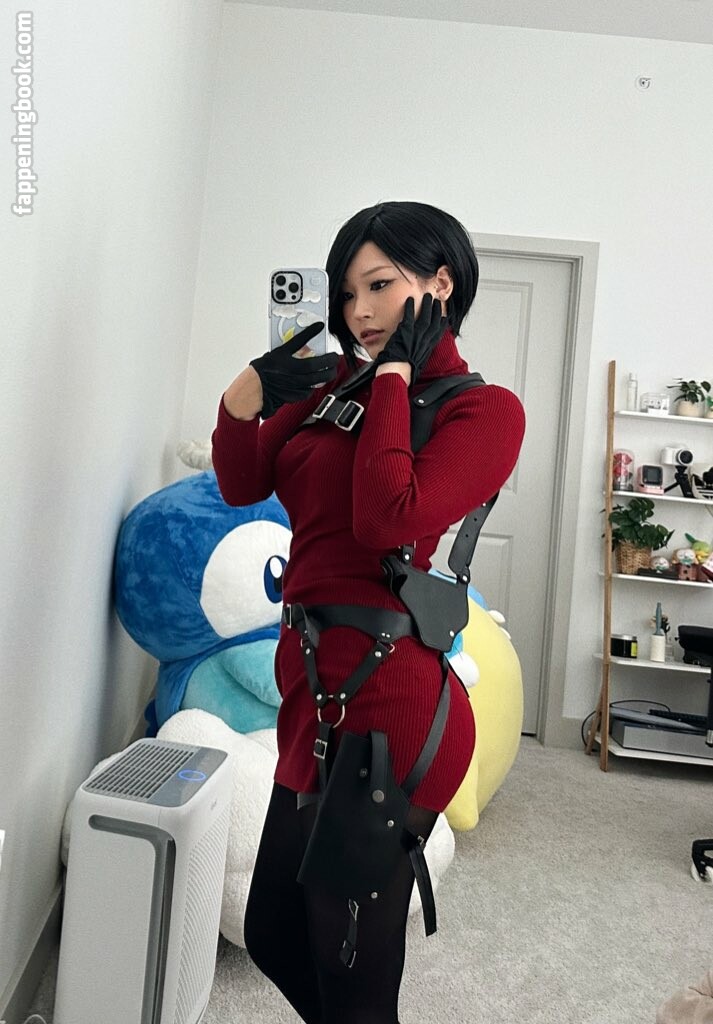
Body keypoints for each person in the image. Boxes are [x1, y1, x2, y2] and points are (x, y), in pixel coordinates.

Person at [211, 200, 526, 1024]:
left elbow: (388, 517)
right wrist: (246, 394)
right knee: (272, 930)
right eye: (347, 291)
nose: (359, 310)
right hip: (311, 689)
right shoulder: (332, 385)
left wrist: (393, 379)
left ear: (440, 284)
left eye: (380, 285)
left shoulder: (481, 409)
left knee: (350, 965)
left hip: (388, 705)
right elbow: (242, 482)